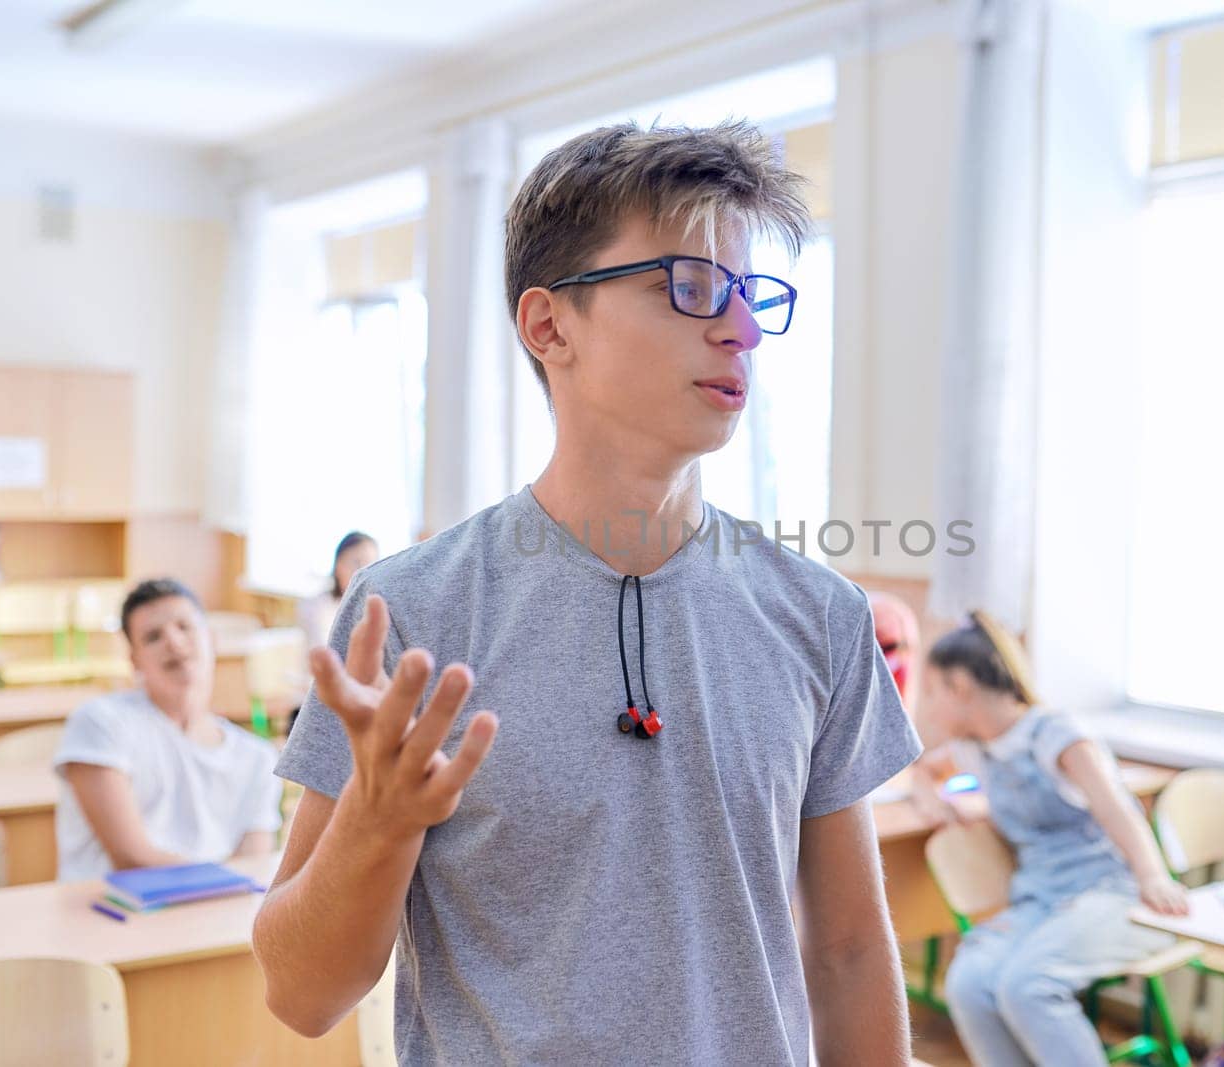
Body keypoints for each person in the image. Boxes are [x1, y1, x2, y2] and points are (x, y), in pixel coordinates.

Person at [253, 121, 923, 1066]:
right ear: (548, 323)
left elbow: (850, 952)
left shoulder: (820, 614)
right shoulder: (411, 613)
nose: (739, 330)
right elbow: (301, 993)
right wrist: (378, 821)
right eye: (689, 286)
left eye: (749, 295)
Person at [911, 610, 1189, 1066]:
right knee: (969, 982)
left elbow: (1119, 811)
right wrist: (936, 801)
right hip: (1041, 900)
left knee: (1027, 986)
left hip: (1111, 893)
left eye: (932, 690)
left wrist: (1153, 877)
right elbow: (924, 771)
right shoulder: (975, 747)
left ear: (960, 687)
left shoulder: (1055, 735)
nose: (929, 705)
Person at [52, 578, 283, 881]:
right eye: (152, 637)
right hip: (114, 917)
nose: (173, 642)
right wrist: (225, 881)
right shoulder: (100, 723)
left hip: (216, 916)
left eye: (184, 627)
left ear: (211, 640)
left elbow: (254, 865)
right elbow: (131, 858)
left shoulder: (258, 758)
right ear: (134, 661)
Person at [298, 531, 379, 652]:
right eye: (356, 563)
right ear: (338, 565)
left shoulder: (378, 611)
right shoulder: (315, 607)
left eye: (371, 565)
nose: (362, 574)